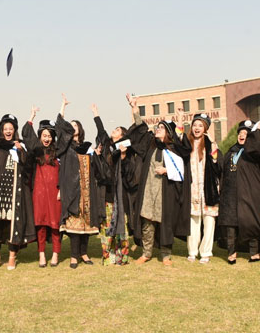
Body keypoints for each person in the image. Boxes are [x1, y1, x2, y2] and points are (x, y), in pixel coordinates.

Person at [126, 94, 191, 266]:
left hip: (166, 193)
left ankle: (166, 255)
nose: (157, 129)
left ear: (168, 132)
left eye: (161, 128)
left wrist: (167, 170)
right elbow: (141, 129)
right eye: (157, 127)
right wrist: (134, 108)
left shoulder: (174, 149)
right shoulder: (150, 145)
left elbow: (182, 166)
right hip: (148, 191)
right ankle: (146, 253)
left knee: (165, 224)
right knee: (147, 223)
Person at [55, 95, 110, 269]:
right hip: (73, 190)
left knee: (86, 223)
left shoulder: (88, 148)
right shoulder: (65, 147)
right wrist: (63, 106)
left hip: (88, 190)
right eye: (70, 125)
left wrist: (96, 115)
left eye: (75, 125)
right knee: (73, 224)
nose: (73, 127)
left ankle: (84, 253)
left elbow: (103, 143)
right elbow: (59, 127)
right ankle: (74, 256)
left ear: (80, 128)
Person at [0, 112, 36, 270]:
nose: (8, 131)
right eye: (5, 128)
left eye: (11, 128)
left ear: (14, 130)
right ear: (1, 130)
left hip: (15, 193)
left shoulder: (20, 145)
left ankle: (12, 257)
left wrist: (21, 151)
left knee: (14, 224)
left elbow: (28, 167)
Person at [217, 119, 260, 264]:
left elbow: (258, 148)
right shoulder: (231, 151)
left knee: (251, 222)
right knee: (230, 224)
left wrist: (257, 132)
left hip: (248, 193)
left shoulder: (253, 153)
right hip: (230, 194)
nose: (242, 135)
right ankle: (231, 252)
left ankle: (254, 252)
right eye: (240, 133)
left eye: (246, 133)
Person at [92, 104, 137, 266]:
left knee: (121, 228)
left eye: (118, 130)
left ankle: (121, 257)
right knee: (107, 228)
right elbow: (101, 131)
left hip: (120, 197)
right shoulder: (107, 147)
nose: (114, 130)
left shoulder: (126, 151)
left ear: (123, 136)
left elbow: (128, 175)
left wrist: (123, 156)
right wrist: (96, 114)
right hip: (106, 194)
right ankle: (108, 257)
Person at [22, 106, 62, 268]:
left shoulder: (58, 152)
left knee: (55, 225)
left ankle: (55, 254)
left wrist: (61, 189)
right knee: (41, 225)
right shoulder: (36, 152)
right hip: (38, 193)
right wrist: (31, 116)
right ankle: (41, 255)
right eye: (44, 135)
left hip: (55, 193)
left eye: (49, 136)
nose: (47, 139)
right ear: (40, 136)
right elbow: (27, 134)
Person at [181, 112, 221, 264]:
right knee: (193, 221)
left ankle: (205, 252)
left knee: (209, 221)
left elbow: (217, 165)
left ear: (205, 128)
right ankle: (192, 251)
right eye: (195, 125)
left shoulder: (210, 144)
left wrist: (213, 144)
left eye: (200, 125)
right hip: (192, 188)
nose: (197, 128)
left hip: (208, 188)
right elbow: (178, 140)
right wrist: (180, 119)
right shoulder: (187, 144)